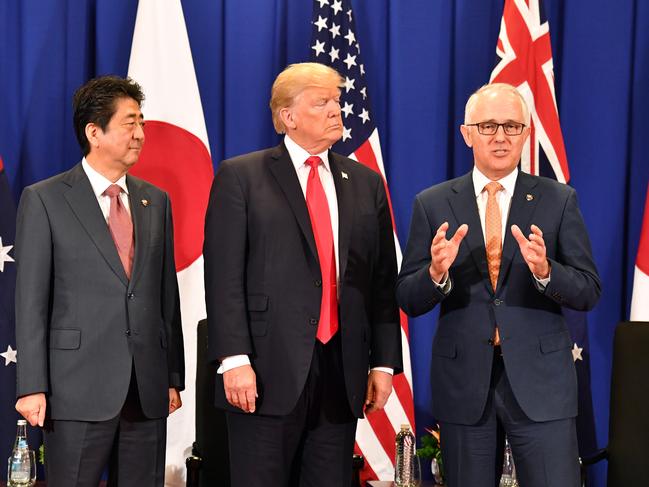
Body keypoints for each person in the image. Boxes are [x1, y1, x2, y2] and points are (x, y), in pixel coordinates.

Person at [203, 62, 402, 487]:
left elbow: (382, 280)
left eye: (337, 100)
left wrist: (384, 363)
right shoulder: (241, 176)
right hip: (263, 370)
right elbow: (223, 277)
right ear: (287, 117)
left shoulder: (364, 182)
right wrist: (235, 359)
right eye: (322, 102)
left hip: (341, 372)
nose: (336, 110)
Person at [396, 83, 601, 487]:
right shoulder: (432, 203)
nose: (501, 136)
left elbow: (588, 290)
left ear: (526, 133)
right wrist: (436, 273)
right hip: (464, 384)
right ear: (467, 133)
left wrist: (546, 271)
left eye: (511, 126)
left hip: (541, 383)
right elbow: (408, 297)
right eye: (488, 126)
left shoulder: (558, 199)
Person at [14, 75, 185, 487]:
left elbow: (166, 295)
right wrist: (32, 385)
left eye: (141, 123)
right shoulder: (46, 199)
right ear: (94, 132)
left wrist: (172, 376)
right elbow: (31, 300)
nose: (141, 135)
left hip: (145, 390)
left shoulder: (154, 199)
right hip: (75, 388)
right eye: (130, 123)